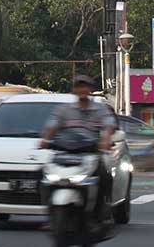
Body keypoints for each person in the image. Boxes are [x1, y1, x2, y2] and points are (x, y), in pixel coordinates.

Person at [40, 75, 116, 223]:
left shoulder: (100, 109)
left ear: (90, 90)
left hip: (90, 154)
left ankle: (100, 213)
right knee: (41, 175)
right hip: (65, 153)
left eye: (85, 87)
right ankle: (50, 214)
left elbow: (109, 125)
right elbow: (52, 125)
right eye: (78, 87)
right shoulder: (64, 110)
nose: (82, 90)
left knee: (105, 176)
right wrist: (45, 139)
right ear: (73, 90)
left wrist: (106, 140)